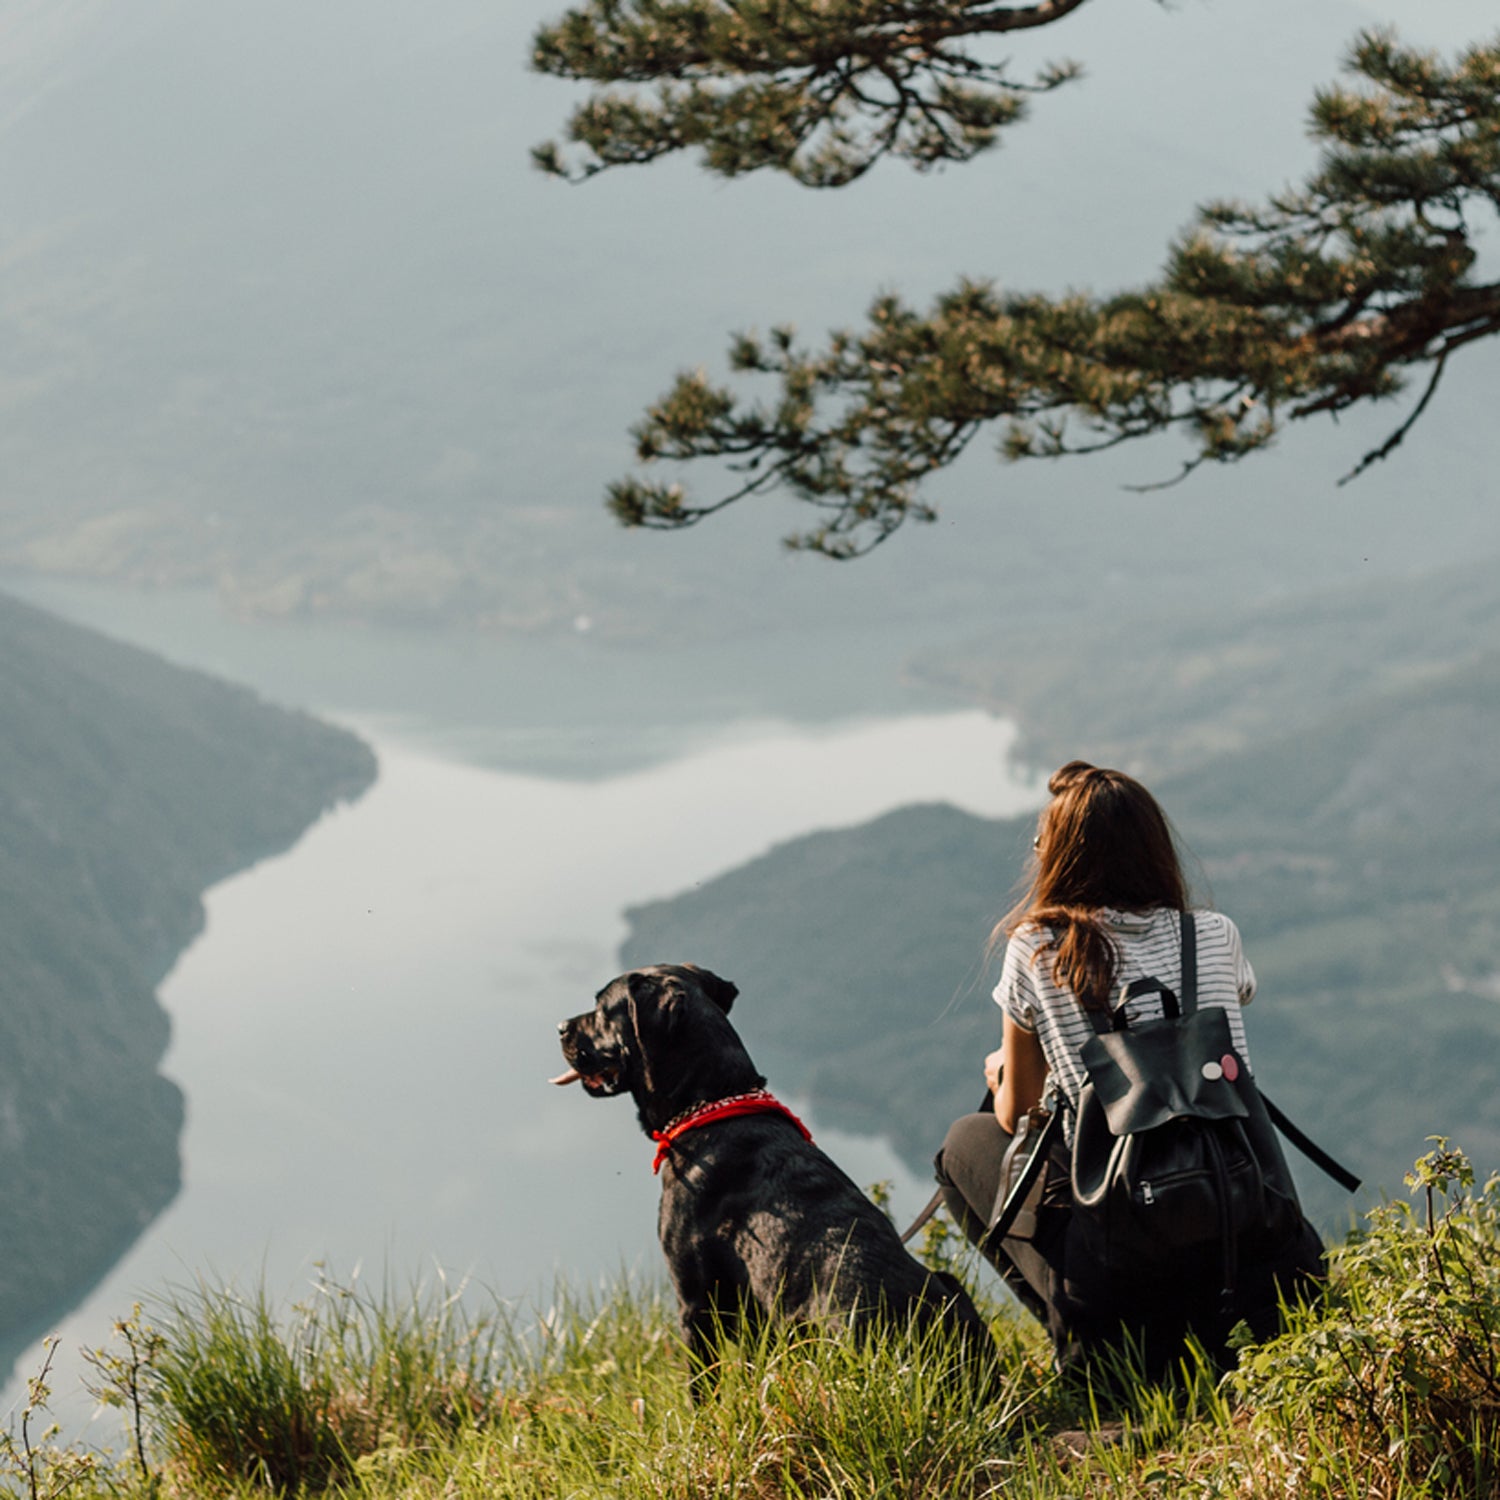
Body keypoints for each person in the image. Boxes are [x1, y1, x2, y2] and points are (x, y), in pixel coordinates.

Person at [935, 760, 1322, 1379]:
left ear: (1059, 856)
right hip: (1248, 1236)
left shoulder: (1037, 947)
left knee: (965, 1143)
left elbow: (1016, 1111)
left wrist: (999, 1073)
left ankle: (1099, 1344)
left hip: (1119, 1248)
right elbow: (1234, 999)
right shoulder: (1214, 936)